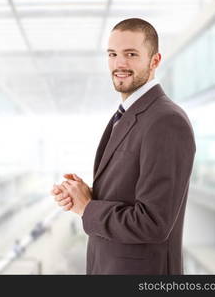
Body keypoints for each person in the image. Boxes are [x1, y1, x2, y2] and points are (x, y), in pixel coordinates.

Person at [51, 18, 196, 275]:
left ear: (155, 61)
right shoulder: (129, 113)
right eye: (112, 54)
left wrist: (88, 208)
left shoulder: (166, 121)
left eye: (131, 54)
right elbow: (130, 195)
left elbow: (153, 222)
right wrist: (88, 195)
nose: (119, 63)